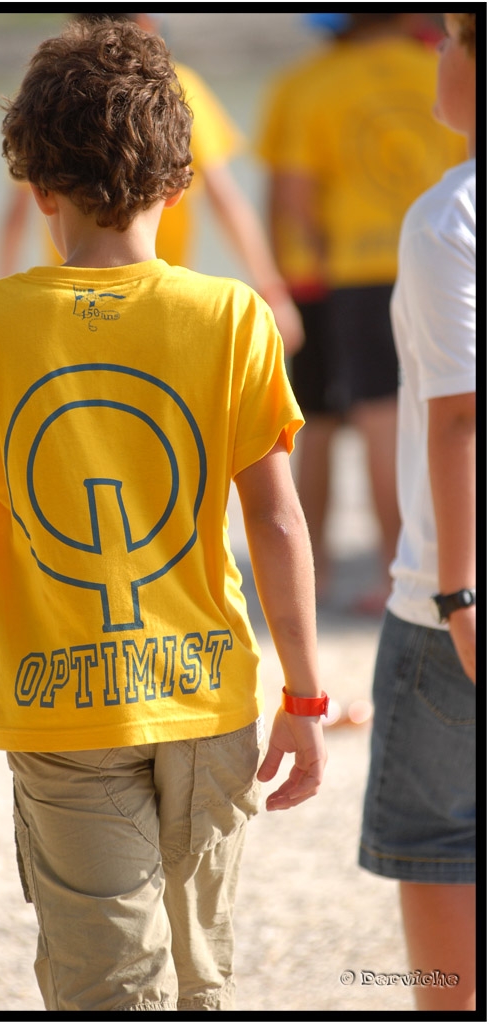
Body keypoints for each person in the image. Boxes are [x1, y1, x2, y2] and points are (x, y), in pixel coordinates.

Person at [0, 18, 327, 1013]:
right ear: (177, 189)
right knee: (199, 977)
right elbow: (280, 527)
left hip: (60, 704)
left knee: (104, 984)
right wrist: (303, 697)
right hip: (209, 697)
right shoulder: (232, 317)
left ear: (35, 188)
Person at [254, 12, 468, 611]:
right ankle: (438, 565)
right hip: (447, 252)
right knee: (446, 412)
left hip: (353, 273)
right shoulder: (440, 68)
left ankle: (390, 569)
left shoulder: (313, 83)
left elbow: (291, 197)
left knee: (374, 420)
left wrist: (311, 261)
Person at [359, 11, 476, 1012]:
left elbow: (459, 419)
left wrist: (457, 590)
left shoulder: (450, 218)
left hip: (451, 593)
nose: (435, 52)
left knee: (439, 847)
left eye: (449, 37)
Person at [0, 11, 305, 355]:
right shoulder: (171, 89)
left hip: (62, 303)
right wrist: (272, 291)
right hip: (164, 302)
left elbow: (15, 214)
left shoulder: (50, 92)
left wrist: (2, 296)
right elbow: (225, 199)